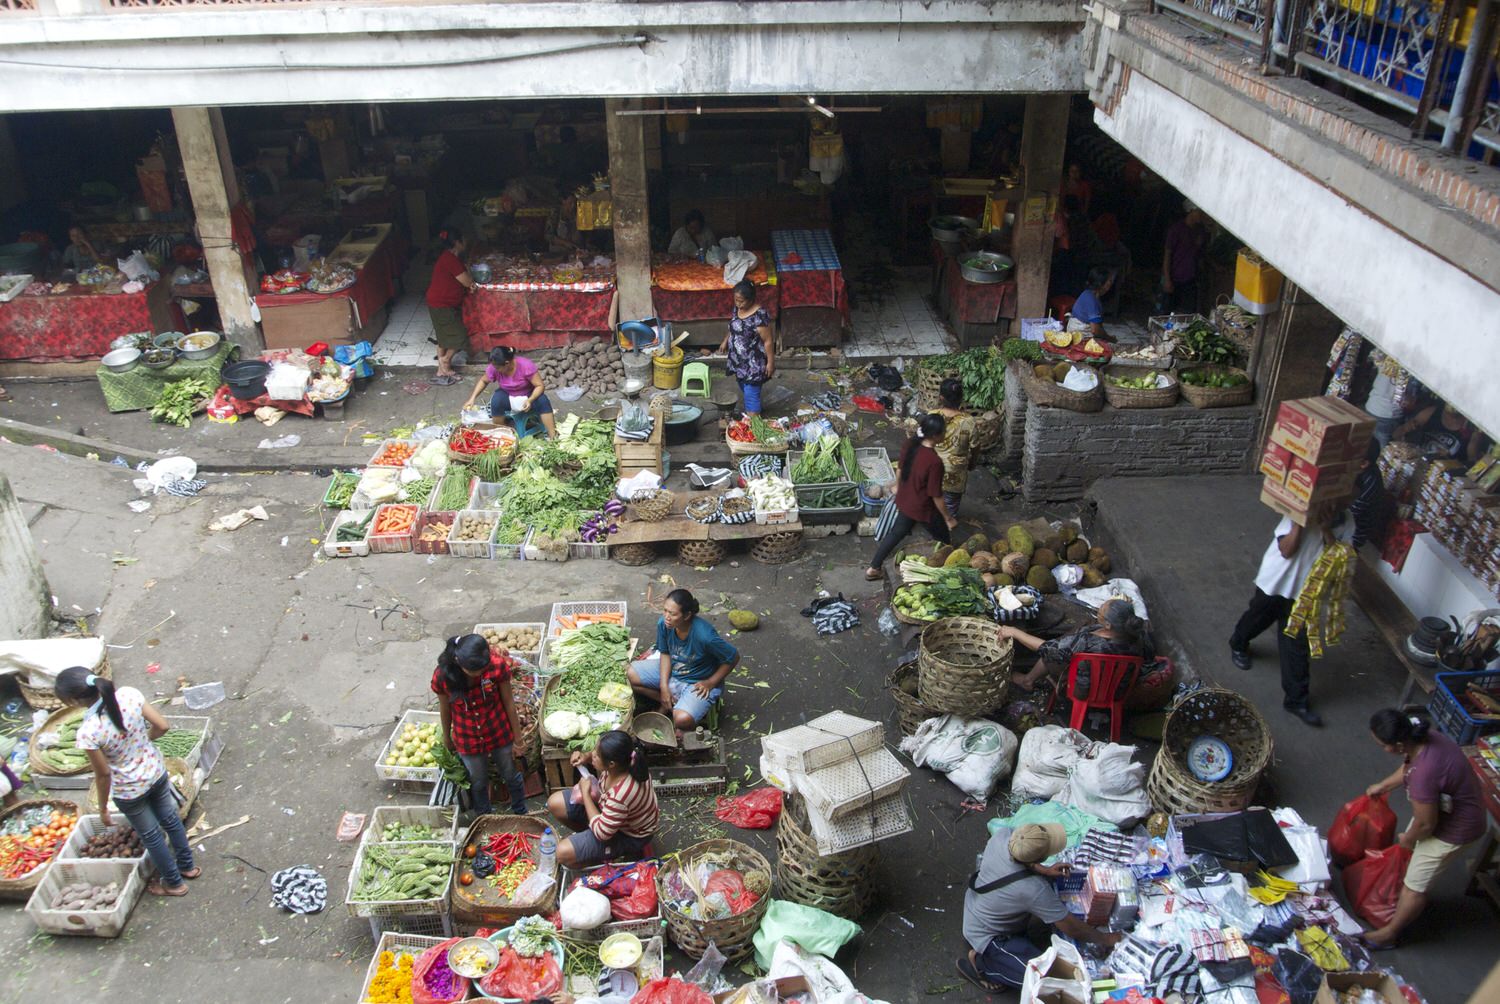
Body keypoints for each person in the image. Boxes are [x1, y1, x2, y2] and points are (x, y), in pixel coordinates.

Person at [55, 666, 199, 897]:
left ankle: (174, 883)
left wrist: (102, 808)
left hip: (130, 791)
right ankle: (188, 867)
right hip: (156, 772)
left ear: (73, 700)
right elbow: (162, 726)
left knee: (152, 836)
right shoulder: (129, 695)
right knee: (171, 820)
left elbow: (103, 775)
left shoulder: (89, 731)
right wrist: (143, 743)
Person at [1358, 710, 1487, 949]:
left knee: (1414, 887)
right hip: (1447, 812)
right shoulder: (1423, 738)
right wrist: (1384, 786)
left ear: (1397, 745)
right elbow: (1408, 766)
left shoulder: (1424, 775)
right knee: (1410, 861)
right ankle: (1398, 896)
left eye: (1382, 745)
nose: (1382, 749)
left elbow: (1426, 823)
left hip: (1454, 829)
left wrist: (1408, 839)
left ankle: (1389, 934)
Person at [957, 823, 1120, 993]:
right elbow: (1073, 929)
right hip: (988, 936)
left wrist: (1045, 871)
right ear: (1039, 858)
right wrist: (1106, 939)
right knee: (1046, 982)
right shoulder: (1034, 889)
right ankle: (983, 965)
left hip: (975, 903)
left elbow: (1021, 859)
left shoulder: (1002, 836)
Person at [1228, 511, 1350, 726]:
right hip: (1276, 581)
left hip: (1305, 592)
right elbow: (1286, 550)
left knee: (1296, 645)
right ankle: (1238, 644)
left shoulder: (1348, 521)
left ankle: (1296, 701)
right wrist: (1299, 525)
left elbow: (1336, 558)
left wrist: (1325, 529)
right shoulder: (1299, 511)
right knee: (1258, 618)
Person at [431, 634, 527, 819]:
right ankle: (484, 817)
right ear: (459, 661)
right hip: (467, 739)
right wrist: (447, 737)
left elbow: (509, 703)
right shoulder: (443, 676)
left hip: (498, 731)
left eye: (483, 669)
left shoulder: (497, 665)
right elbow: (445, 709)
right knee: (478, 781)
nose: (480, 673)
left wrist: (518, 739)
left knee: (510, 774)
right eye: (474, 671)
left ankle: (521, 811)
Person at [627, 589, 740, 731]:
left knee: (681, 720)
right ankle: (670, 702)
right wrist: (663, 688)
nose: (667, 617)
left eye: (673, 614)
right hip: (675, 670)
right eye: (665, 610)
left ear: (687, 615)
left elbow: (733, 656)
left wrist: (710, 682)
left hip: (697, 681)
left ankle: (675, 707)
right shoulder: (664, 624)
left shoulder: (705, 636)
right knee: (630, 674)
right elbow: (665, 653)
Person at [546, 730, 658, 868]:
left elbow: (602, 833)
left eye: (597, 755)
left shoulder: (621, 794)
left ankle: (604, 860)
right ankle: (588, 840)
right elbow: (600, 758)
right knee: (554, 803)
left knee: (563, 853)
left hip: (629, 835)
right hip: (612, 814)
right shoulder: (627, 762)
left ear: (611, 764)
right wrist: (585, 757)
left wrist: (586, 794)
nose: (593, 754)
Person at [865, 414, 957, 581]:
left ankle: (874, 567)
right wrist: (948, 518)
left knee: (896, 533)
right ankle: (949, 566)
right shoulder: (934, 462)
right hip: (922, 508)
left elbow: (900, 469)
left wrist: (898, 487)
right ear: (936, 436)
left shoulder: (910, 445)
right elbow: (935, 495)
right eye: (944, 431)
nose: (945, 434)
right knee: (944, 538)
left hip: (905, 500)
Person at [1001, 597, 1153, 692]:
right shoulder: (1140, 636)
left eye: (1101, 611)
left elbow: (1049, 648)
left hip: (1085, 689)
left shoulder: (1089, 643)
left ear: (1108, 625)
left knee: (1053, 654)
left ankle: (1027, 681)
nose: (1099, 610)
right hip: (1119, 690)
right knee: (1067, 648)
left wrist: (1015, 632)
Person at [463, 346, 557, 438]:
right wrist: (472, 398)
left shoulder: (525, 365)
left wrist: (530, 400)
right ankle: (503, 434)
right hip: (507, 393)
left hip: (528, 393)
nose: (495, 369)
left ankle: (553, 436)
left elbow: (540, 386)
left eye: (498, 368)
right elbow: (483, 381)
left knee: (543, 401)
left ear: (507, 363)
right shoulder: (494, 367)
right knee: (496, 402)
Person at [717, 280, 774, 417]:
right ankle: (754, 407)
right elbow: (734, 326)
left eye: (741, 301)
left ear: (751, 299)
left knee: (751, 393)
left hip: (753, 363)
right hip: (738, 361)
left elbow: (768, 341)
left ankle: (754, 421)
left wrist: (771, 363)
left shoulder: (759, 315)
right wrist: (725, 341)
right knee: (744, 386)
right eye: (736, 300)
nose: (738, 304)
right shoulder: (738, 309)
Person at [425, 229, 475, 385]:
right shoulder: (450, 260)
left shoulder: (450, 257)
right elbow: (467, 282)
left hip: (438, 302)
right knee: (458, 336)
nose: (465, 243)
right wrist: (471, 284)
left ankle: (441, 371)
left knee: (443, 337)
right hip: (442, 304)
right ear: (457, 243)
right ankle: (446, 361)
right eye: (463, 241)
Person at [932, 378, 974, 519]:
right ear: (961, 398)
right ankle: (946, 528)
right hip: (955, 474)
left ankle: (933, 524)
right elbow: (975, 447)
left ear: (941, 398)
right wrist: (972, 463)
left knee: (931, 502)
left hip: (931, 471)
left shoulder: (932, 416)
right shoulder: (968, 422)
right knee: (949, 507)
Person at [1160, 202, 1206, 314]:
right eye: (1199, 212)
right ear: (1191, 211)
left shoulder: (1198, 231)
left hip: (1190, 279)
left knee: (1187, 313)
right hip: (1175, 277)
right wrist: (1167, 279)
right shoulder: (1176, 230)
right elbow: (1167, 255)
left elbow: (1197, 255)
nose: (1201, 215)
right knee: (1168, 313)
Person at [1397, 402, 1480, 463]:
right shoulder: (1432, 412)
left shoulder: (1472, 428)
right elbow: (1397, 434)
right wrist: (1406, 430)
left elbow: (1472, 462)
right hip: (1419, 462)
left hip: (1444, 475)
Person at [1348, 438, 1390, 550]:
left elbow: (1351, 513)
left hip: (1354, 533)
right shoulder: (1357, 471)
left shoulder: (1371, 482)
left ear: (1364, 463)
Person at [1070, 267, 1116, 342]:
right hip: (1079, 334)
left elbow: (1098, 324)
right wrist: (1109, 338)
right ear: (1101, 284)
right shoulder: (1091, 300)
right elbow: (1095, 330)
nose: (1111, 283)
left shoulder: (1091, 295)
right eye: (1109, 281)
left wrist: (1107, 336)